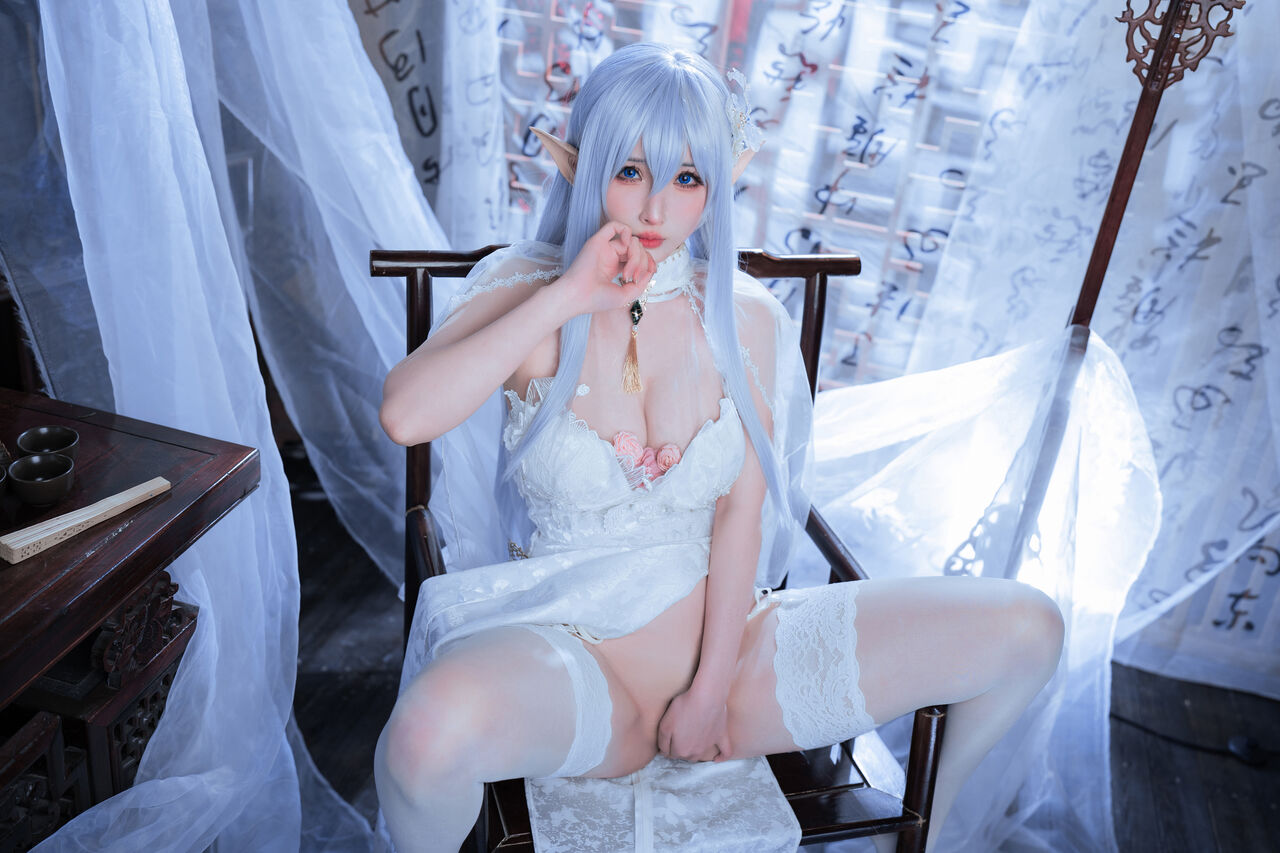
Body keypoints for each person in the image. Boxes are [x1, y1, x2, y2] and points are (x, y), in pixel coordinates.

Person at [373, 42, 1065, 853]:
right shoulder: (523, 286)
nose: (655, 207)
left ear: (717, 185)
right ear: (583, 165)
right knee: (423, 740)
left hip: (736, 657)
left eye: (687, 178)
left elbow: (742, 513)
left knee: (1029, 627)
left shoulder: (745, 316)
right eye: (630, 170)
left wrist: (708, 691)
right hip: (575, 658)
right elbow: (405, 416)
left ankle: (911, 845)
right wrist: (570, 294)